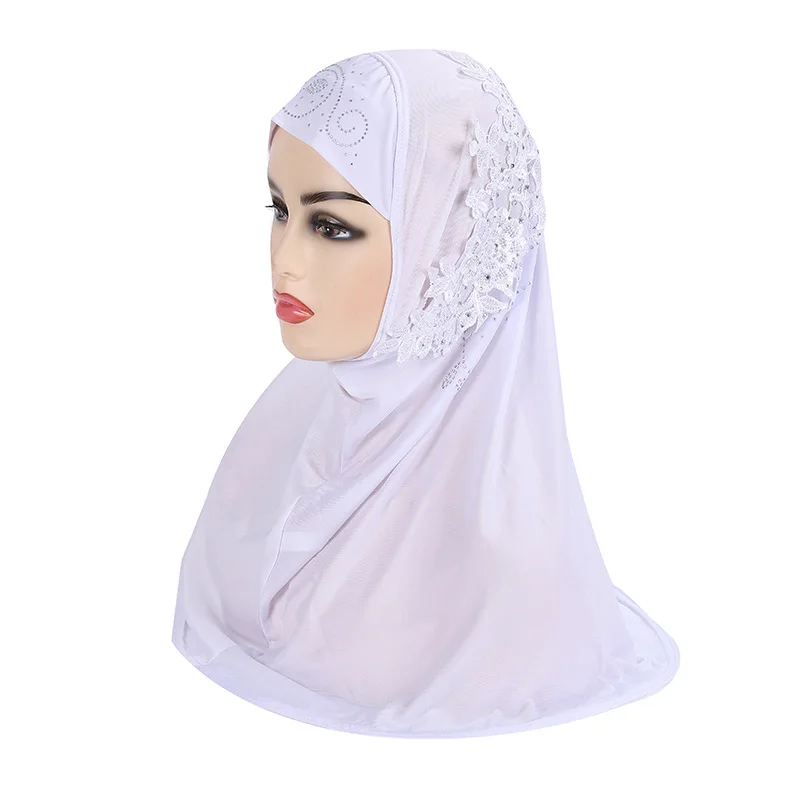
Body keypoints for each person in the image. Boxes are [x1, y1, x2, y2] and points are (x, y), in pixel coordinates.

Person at [171, 48, 680, 738]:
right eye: (279, 209)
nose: (284, 259)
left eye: (332, 226)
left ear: (445, 238)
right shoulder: (275, 446)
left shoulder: (501, 575)